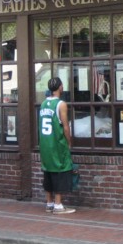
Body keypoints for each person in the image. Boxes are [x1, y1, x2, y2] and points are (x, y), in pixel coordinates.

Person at [38, 77, 76, 214]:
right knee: (60, 171)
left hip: (45, 144)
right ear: (60, 87)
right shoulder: (61, 104)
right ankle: (58, 205)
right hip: (57, 143)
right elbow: (65, 127)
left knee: (47, 171)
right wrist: (69, 142)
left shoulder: (43, 104)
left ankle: (49, 203)